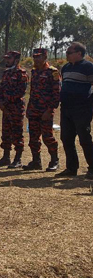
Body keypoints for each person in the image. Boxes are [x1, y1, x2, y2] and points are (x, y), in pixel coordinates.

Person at [57, 42, 93, 178]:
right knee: (66, 138)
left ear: (79, 53)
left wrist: (88, 101)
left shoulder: (88, 67)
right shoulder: (65, 68)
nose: (66, 55)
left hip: (82, 109)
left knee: (84, 138)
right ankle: (71, 168)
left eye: (69, 53)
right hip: (66, 108)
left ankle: (92, 168)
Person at [24, 48, 60, 172]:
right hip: (34, 109)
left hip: (45, 111)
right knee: (33, 137)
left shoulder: (53, 72)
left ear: (45, 57)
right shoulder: (34, 72)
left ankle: (54, 161)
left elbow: (56, 94)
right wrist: (29, 109)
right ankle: (36, 161)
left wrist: (50, 110)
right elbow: (32, 92)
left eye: (39, 57)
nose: (36, 59)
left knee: (47, 137)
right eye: (34, 57)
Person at [0, 51, 28, 169]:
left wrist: (6, 102)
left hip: (16, 108)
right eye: (6, 58)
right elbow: (1, 89)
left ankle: (17, 159)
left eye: (9, 58)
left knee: (17, 133)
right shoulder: (6, 73)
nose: (7, 60)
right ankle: (6, 157)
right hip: (6, 109)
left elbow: (20, 92)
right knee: (6, 132)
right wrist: (1, 102)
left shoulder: (21, 74)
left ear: (16, 60)